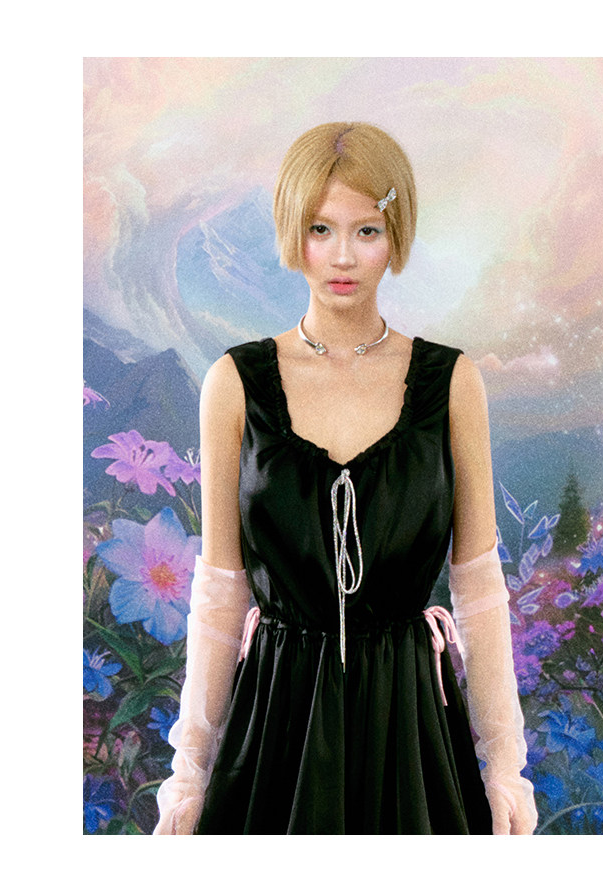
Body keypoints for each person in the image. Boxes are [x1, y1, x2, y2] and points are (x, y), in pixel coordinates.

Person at [153, 122, 537, 835]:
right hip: (276, 724)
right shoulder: (235, 383)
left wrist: (505, 767)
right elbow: (220, 595)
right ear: (291, 231)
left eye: (367, 231)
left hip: (411, 723)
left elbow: (479, 590)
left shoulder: (452, 383)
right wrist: (189, 774)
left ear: (396, 235)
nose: (342, 256)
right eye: (320, 229)